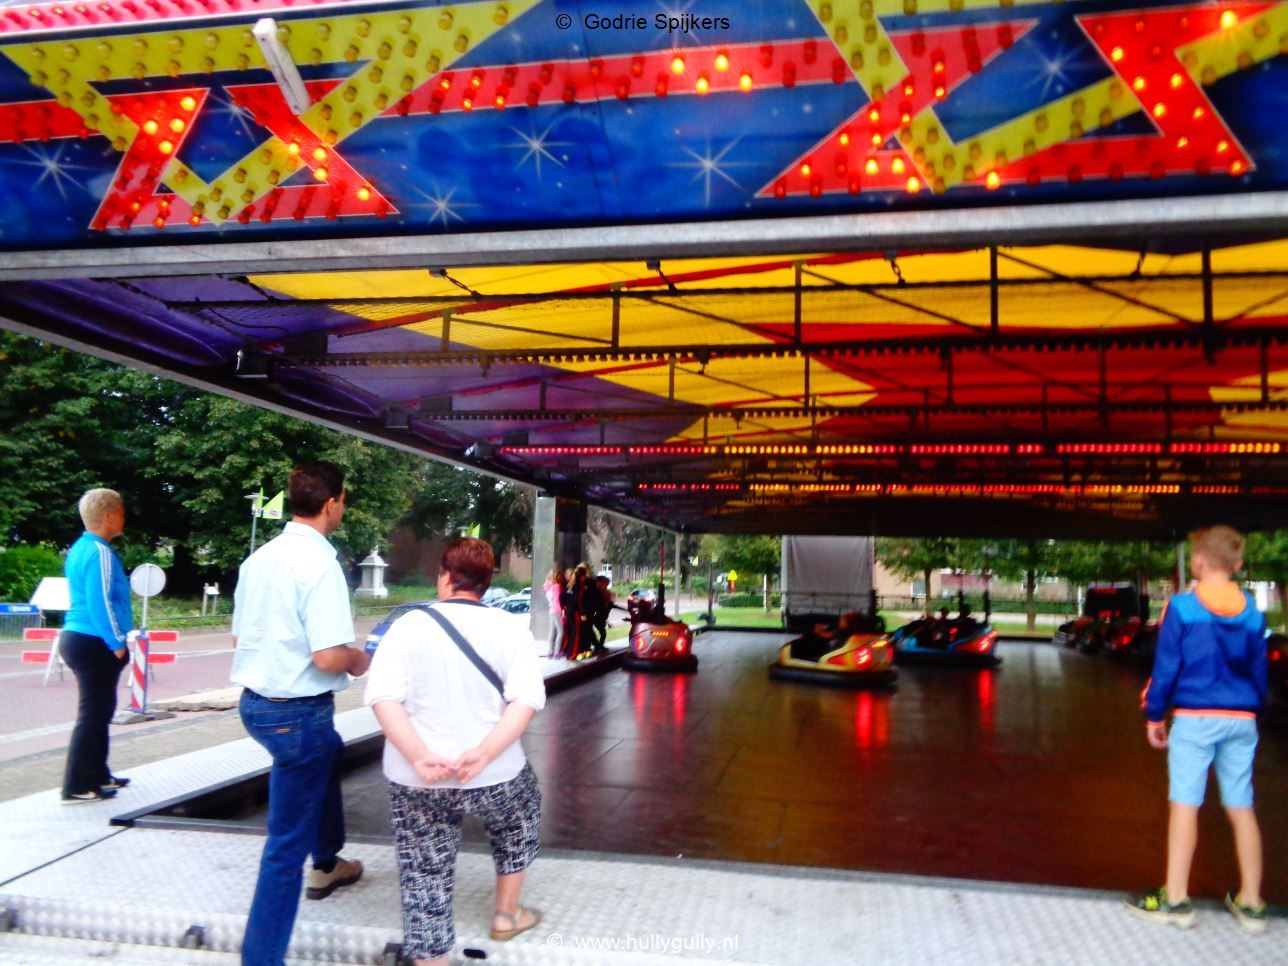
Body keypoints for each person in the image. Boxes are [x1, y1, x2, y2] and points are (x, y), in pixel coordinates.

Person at [365, 537, 545, 966]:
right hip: (494, 774)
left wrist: (417, 754)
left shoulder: (407, 626)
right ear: (486, 582)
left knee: (423, 871)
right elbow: (525, 701)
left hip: (416, 779)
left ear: (444, 577)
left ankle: (432, 956)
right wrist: (484, 753)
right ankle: (506, 914)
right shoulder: (510, 628)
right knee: (521, 817)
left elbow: (383, 697)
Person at [231, 461, 372, 966]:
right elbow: (329, 657)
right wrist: (360, 659)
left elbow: (240, 638)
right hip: (298, 713)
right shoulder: (320, 565)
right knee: (284, 848)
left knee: (326, 752)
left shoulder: (258, 560)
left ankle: (328, 861)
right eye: (344, 500)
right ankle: (261, 958)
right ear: (331, 503)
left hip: (255, 705)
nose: (343, 508)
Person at [1125, 525, 1268, 933]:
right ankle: (1252, 902)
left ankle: (1176, 899)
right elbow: (1259, 674)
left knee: (1185, 806)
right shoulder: (1253, 613)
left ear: (1199, 562)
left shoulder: (1183, 609)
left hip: (1194, 718)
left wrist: (1155, 716)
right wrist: (1251, 707)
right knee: (1241, 807)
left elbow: (1166, 668)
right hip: (1241, 720)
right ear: (1237, 564)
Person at [60, 488, 134, 804]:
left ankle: (98, 774)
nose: (124, 519)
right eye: (121, 513)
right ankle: (77, 785)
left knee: (101, 709)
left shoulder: (80, 548)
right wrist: (116, 642)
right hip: (93, 640)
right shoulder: (99, 552)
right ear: (108, 516)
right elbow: (99, 600)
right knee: (93, 714)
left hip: (79, 637)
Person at [542, 568, 565, 659]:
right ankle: (557, 652)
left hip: (551, 610)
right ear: (556, 576)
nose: (561, 577)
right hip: (557, 610)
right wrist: (562, 612)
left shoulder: (547, 586)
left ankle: (550, 652)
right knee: (560, 632)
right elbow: (557, 600)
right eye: (559, 575)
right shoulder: (557, 586)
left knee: (552, 631)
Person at [591, 575, 614, 654]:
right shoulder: (596, 593)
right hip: (596, 617)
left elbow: (605, 609)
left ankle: (599, 646)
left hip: (601, 618)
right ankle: (598, 646)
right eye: (605, 584)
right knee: (600, 632)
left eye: (607, 584)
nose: (606, 586)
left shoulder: (605, 593)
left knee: (603, 633)